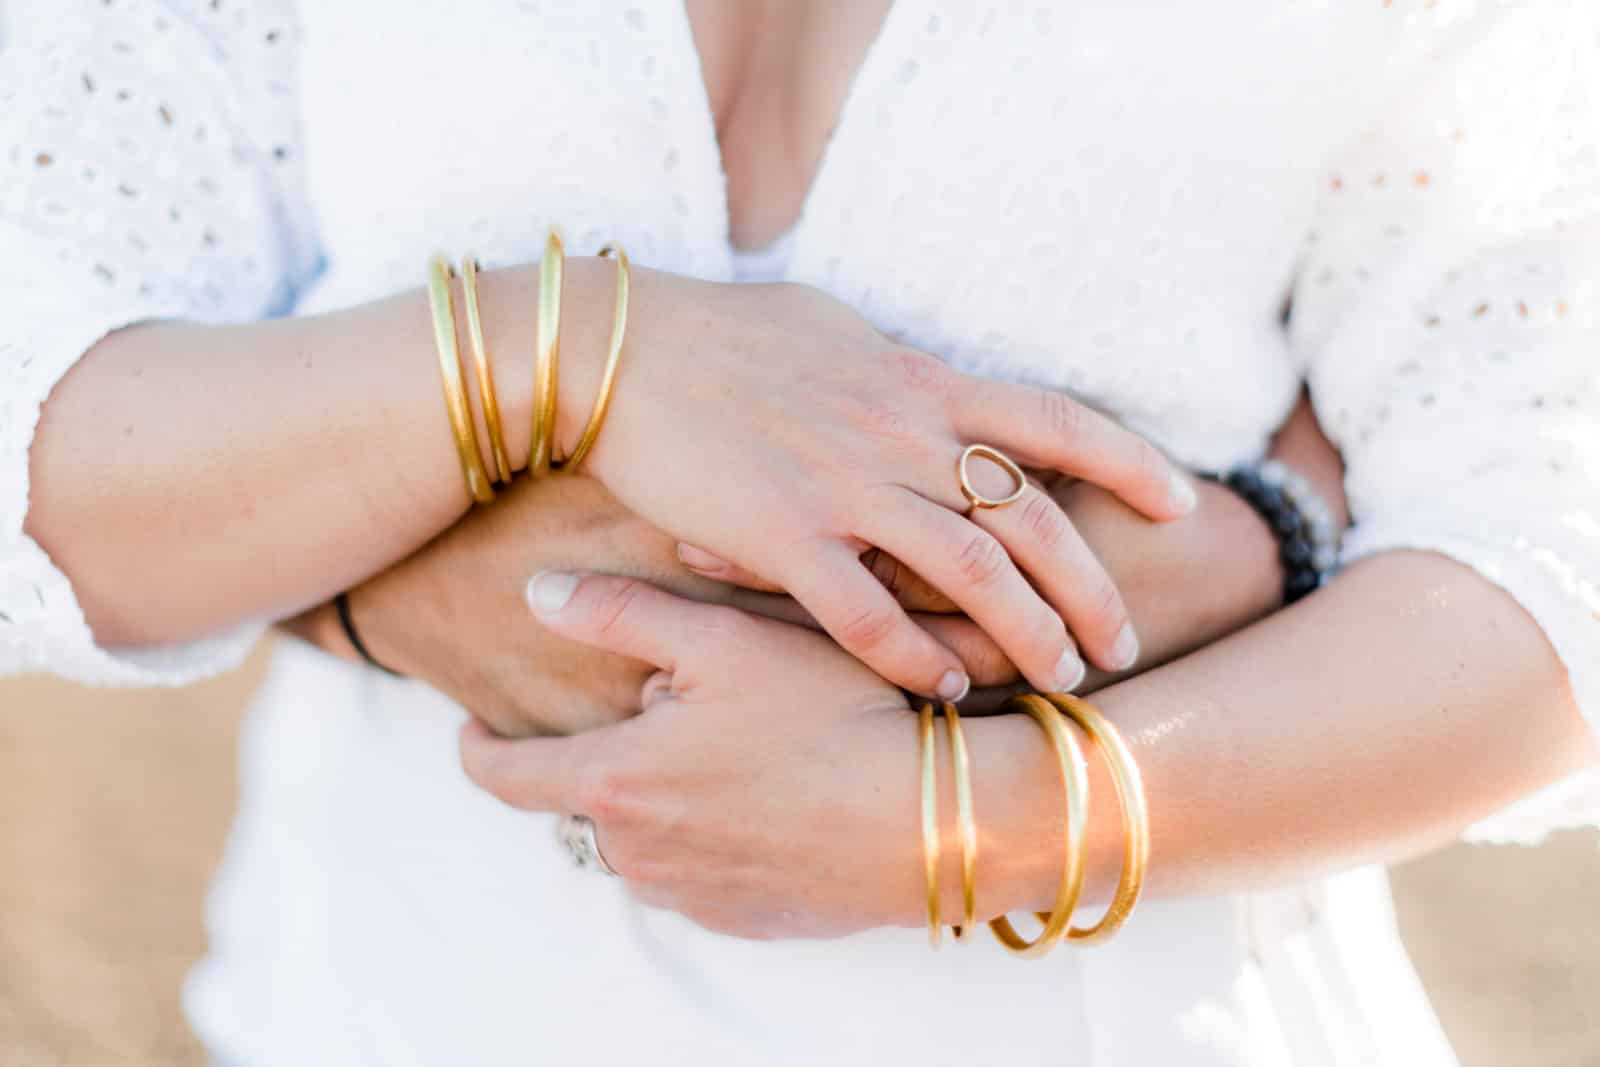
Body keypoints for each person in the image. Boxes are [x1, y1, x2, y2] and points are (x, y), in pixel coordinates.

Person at [2, 2, 1596, 1064]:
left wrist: (964, 824)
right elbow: (46, 422)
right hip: (386, 1004)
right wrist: (557, 353)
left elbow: (1551, 532)